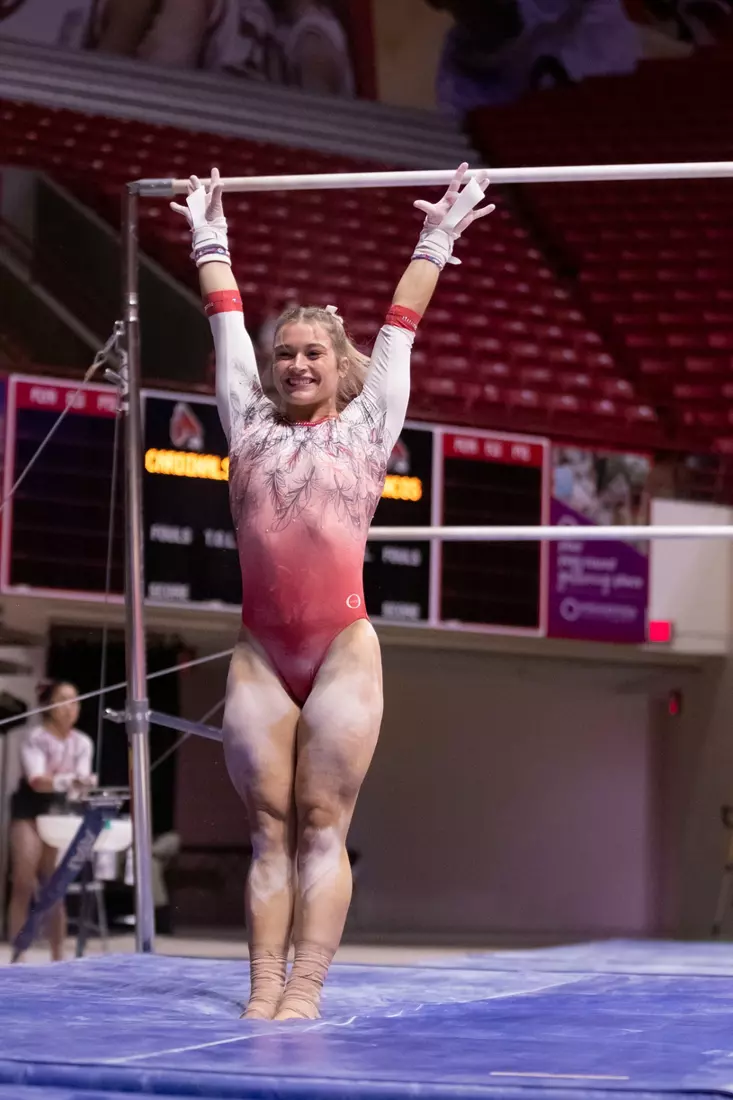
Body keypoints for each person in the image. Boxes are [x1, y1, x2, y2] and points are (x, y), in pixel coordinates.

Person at [171, 162, 493, 1019]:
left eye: (312, 352)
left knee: (321, 820)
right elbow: (227, 325)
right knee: (267, 826)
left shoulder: (370, 418)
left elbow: (403, 323)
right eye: (286, 355)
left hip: (343, 647)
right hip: (261, 654)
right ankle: (262, 986)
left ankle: (305, 986)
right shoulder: (245, 419)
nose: (296, 363)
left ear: (338, 363)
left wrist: (438, 235)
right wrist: (210, 236)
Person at [8, 680, 96, 963]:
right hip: (30, 810)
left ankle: (59, 957)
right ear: (50, 706)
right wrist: (71, 781)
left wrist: (81, 783)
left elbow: (82, 783)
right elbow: (37, 781)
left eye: (75, 700)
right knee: (23, 881)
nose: (71, 707)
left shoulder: (82, 742)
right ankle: (18, 955)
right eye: (64, 700)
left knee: (55, 886)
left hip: (59, 811)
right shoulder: (35, 738)